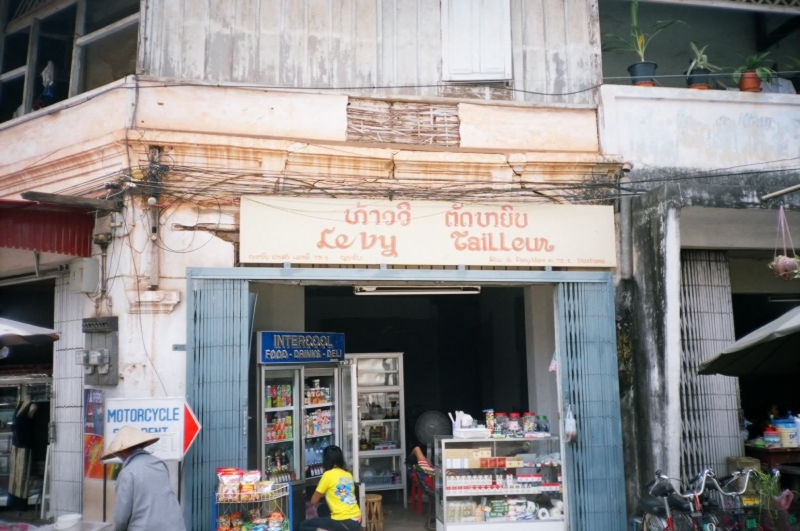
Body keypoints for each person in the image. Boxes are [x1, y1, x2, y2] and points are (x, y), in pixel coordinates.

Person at [102, 426, 186, 531]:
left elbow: (121, 517)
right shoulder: (159, 463)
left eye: (117, 452)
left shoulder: (127, 473)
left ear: (123, 450)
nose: (118, 455)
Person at [301, 446, 361, 531]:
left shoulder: (327, 475)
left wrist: (321, 489)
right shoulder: (348, 474)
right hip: (356, 519)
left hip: (344, 521)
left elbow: (313, 501)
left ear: (326, 460)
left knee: (303, 526)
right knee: (322, 508)